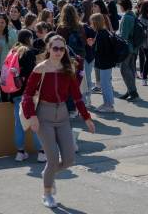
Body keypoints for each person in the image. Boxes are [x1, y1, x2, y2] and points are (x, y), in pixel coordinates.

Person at [22, 35, 96, 208]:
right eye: (55, 48)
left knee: (69, 159)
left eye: (62, 49)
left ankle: (48, 174)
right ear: (49, 49)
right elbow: (27, 95)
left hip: (62, 115)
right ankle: (47, 193)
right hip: (44, 116)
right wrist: (31, 115)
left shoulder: (67, 69)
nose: (58, 52)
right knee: (53, 159)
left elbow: (77, 96)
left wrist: (87, 118)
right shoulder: (40, 68)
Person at [3, 30, 44, 162]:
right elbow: (32, 74)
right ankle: (41, 152)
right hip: (28, 93)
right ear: (29, 38)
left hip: (15, 92)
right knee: (34, 121)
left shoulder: (13, 51)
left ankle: (20, 152)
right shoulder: (28, 52)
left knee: (19, 124)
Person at [90, 13, 116, 113]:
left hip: (104, 63)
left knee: (105, 84)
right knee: (105, 84)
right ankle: (107, 103)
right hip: (106, 62)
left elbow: (101, 51)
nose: (91, 24)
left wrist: (92, 45)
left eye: (92, 22)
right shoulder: (104, 32)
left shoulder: (101, 34)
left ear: (95, 23)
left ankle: (109, 105)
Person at [117, 0, 140, 101]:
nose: (119, 7)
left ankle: (133, 92)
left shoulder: (126, 17)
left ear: (123, 6)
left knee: (124, 70)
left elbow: (124, 36)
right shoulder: (132, 15)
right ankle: (130, 91)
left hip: (127, 47)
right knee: (130, 69)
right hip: (133, 47)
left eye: (120, 5)